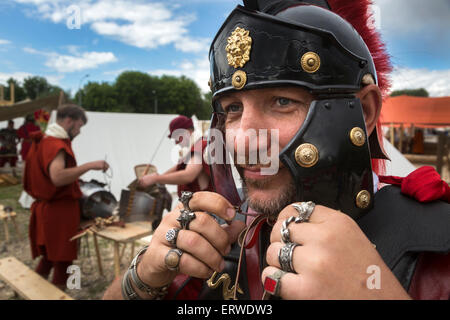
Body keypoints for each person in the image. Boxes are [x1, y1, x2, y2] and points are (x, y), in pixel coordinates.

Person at [103, 0, 449, 300]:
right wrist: (143, 276)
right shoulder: (227, 236)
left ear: (366, 112)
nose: (240, 141)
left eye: (282, 101)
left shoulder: (436, 242)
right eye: (233, 109)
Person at [23, 104, 109, 288]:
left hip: (48, 209)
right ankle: (59, 292)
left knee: (49, 257)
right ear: (69, 121)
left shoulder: (43, 141)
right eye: (79, 126)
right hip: (58, 213)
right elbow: (58, 177)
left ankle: (31, 290)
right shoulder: (56, 144)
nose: (79, 131)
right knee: (63, 260)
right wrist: (89, 166)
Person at [138, 115, 213, 196]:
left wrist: (156, 178)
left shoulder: (201, 144)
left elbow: (189, 175)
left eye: (176, 137)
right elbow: (177, 168)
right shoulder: (192, 150)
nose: (176, 142)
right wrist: (153, 179)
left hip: (203, 204)